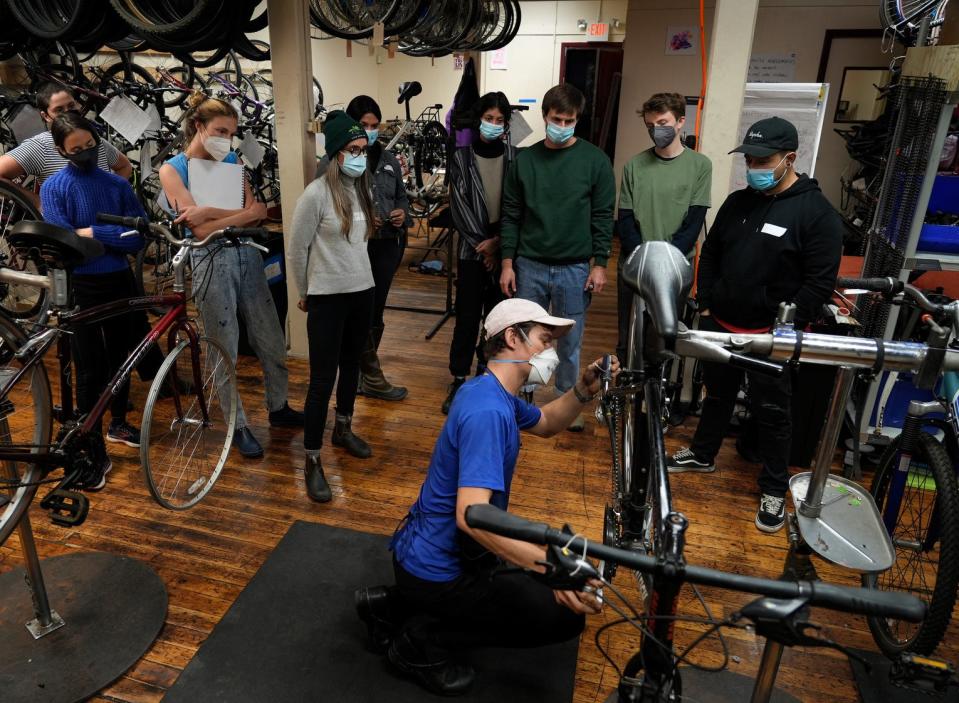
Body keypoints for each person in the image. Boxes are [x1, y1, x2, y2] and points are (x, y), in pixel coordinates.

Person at [354, 298, 615, 696]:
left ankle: (390, 605)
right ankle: (419, 643)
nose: (551, 352)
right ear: (513, 338)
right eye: (545, 340)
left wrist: (583, 389)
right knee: (563, 617)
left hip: (428, 554)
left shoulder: (489, 391)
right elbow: (471, 516)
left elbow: (545, 423)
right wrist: (552, 569)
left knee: (540, 568)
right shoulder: (488, 412)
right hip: (439, 568)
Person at [667, 117, 843, 533]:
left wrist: (783, 325)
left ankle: (773, 488)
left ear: (789, 159)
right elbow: (710, 253)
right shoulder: (739, 202)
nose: (754, 167)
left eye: (763, 160)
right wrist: (707, 303)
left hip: (769, 336)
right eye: (750, 159)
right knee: (717, 396)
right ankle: (704, 453)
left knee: (773, 412)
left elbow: (818, 284)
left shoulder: (817, 214)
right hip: (723, 323)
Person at [159, 92, 303, 459]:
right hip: (209, 261)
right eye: (220, 130)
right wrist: (231, 215)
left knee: (269, 334)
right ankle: (237, 425)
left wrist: (210, 211)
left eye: (231, 132)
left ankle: (279, 406)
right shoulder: (173, 168)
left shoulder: (232, 158)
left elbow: (255, 212)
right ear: (199, 126)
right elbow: (198, 231)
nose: (226, 138)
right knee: (224, 345)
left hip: (247, 254)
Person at [499, 83, 615, 432]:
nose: (562, 125)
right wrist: (507, 262)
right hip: (529, 264)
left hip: (574, 267)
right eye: (556, 119)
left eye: (569, 120)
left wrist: (600, 264)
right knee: (525, 337)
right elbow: (511, 213)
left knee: (569, 343)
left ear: (578, 120)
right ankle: (523, 399)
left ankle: (568, 402)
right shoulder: (525, 161)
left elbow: (602, 215)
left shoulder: (595, 161)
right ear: (544, 116)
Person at [40, 113, 145, 489]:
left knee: (124, 356)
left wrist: (92, 231)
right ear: (60, 151)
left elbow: (137, 235)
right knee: (88, 369)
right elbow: (65, 245)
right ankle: (92, 443)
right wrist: (106, 235)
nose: (85, 153)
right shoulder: (55, 188)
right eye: (75, 150)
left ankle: (118, 421)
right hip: (81, 286)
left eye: (89, 146)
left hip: (118, 279)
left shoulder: (116, 185)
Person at [290, 111, 377, 503]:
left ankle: (343, 428)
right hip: (326, 296)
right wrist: (305, 290)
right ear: (335, 153)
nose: (360, 156)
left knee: (352, 366)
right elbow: (296, 249)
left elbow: (361, 242)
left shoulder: (362, 188)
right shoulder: (314, 195)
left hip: (362, 290)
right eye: (352, 150)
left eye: (363, 149)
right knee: (321, 380)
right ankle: (311, 458)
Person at [316, 95, 410, 402]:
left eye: (374, 125)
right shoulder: (335, 161)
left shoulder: (389, 159)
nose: (370, 132)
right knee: (357, 313)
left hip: (387, 245)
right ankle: (367, 374)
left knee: (375, 313)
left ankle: (363, 374)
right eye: (364, 125)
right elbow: (324, 208)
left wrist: (401, 213)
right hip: (355, 249)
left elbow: (402, 197)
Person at [615, 92, 712, 361]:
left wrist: (662, 264)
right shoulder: (635, 166)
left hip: (674, 269)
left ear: (680, 121)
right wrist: (645, 261)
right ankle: (627, 400)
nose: (656, 131)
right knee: (627, 343)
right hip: (634, 266)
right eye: (650, 125)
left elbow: (693, 222)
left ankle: (655, 401)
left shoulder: (699, 166)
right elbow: (625, 219)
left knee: (660, 346)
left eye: (662, 123)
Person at [443, 91, 515, 414]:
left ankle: (487, 376)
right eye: (489, 119)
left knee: (498, 318)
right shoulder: (461, 157)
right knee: (468, 317)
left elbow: (520, 207)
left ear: (507, 124)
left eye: (500, 120)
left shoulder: (516, 157)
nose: (494, 125)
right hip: (473, 251)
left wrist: (499, 243)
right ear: (478, 120)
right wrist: (483, 245)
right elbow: (457, 205)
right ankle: (458, 378)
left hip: (505, 253)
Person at [0, 83, 132, 206]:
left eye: (71, 106)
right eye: (59, 110)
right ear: (46, 116)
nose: (68, 112)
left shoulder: (92, 139)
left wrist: (113, 195)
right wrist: (38, 203)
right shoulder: (41, 146)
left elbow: (124, 166)